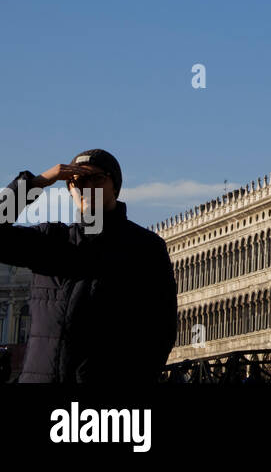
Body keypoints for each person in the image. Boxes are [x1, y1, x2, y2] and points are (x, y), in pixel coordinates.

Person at [0, 150, 177, 382]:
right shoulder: (51, 241)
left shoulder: (145, 248)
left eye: (97, 178)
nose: (87, 187)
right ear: (70, 190)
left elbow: (161, 329)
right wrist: (36, 182)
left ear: (115, 185)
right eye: (79, 181)